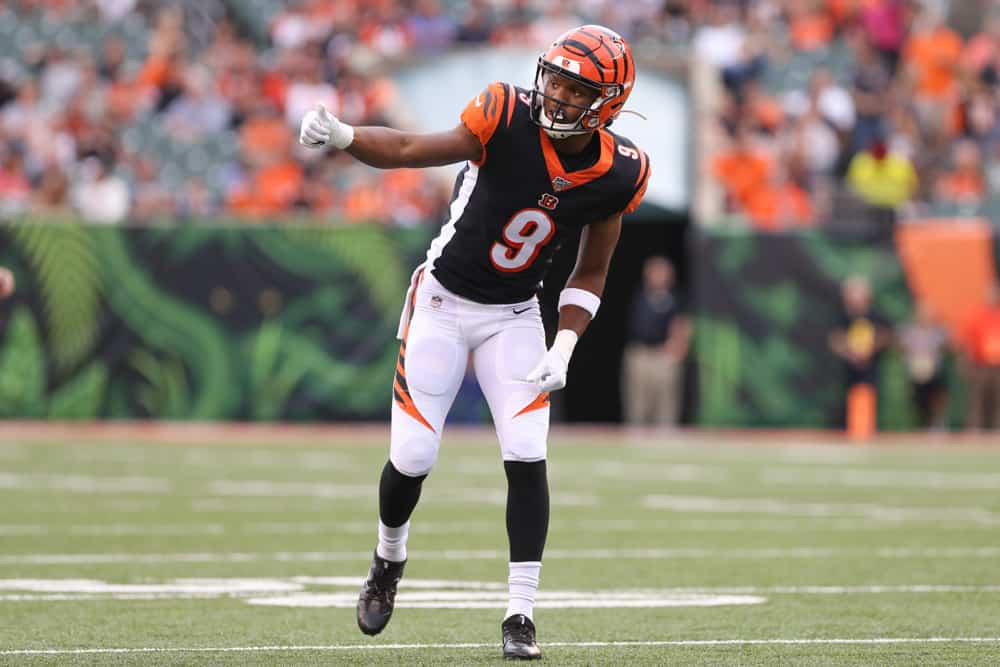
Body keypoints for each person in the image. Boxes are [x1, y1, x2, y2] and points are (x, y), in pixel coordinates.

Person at [299, 25, 648, 660]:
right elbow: (409, 146)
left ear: (608, 102)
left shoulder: (619, 171)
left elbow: (591, 271)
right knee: (413, 457)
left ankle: (521, 614)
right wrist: (346, 137)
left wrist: (566, 344)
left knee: (527, 452)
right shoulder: (505, 113)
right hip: (440, 302)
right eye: (557, 79)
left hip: (514, 315)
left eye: (576, 89)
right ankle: (388, 560)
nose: (558, 95)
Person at [623, 256, 690, 426]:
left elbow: (683, 324)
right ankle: (635, 440)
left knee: (666, 405)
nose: (658, 276)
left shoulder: (677, 299)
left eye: (662, 272)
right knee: (638, 403)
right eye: (655, 272)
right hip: (641, 355)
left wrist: (678, 347)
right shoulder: (639, 295)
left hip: (663, 355)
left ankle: (666, 443)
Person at [828, 275, 892, 438]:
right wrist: (850, 353)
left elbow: (887, 335)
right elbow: (835, 339)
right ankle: (848, 431)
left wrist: (869, 350)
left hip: (870, 368)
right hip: (848, 369)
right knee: (847, 401)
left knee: (870, 399)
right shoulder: (843, 316)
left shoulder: (876, 315)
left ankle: (868, 431)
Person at [897, 302, 950, 430]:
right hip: (915, 372)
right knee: (918, 402)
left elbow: (947, 344)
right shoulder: (909, 331)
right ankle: (920, 426)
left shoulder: (938, 331)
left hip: (934, 372)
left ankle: (937, 424)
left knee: (936, 398)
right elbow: (901, 346)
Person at [962, 283, 1000, 430]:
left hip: (998, 366)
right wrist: (969, 361)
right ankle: (975, 429)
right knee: (977, 398)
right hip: (982, 365)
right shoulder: (977, 316)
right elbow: (969, 340)